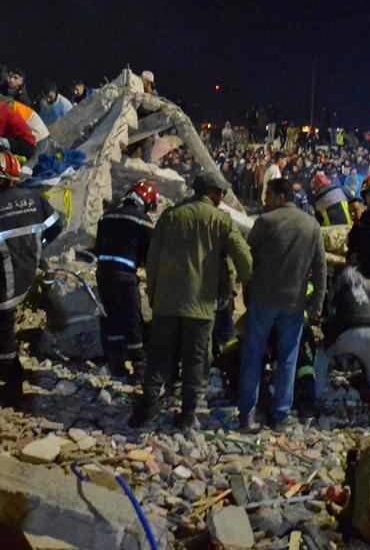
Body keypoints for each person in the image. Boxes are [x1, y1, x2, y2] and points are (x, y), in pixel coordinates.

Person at [132, 172, 253, 431]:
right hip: (201, 305)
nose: (221, 198)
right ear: (210, 192)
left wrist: (153, 295)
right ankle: (187, 416)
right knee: (195, 359)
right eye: (220, 193)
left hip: (167, 302)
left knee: (159, 355)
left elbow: (153, 259)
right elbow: (243, 257)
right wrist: (249, 290)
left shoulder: (170, 216)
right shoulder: (220, 220)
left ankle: (147, 410)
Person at [0, 152, 63, 405]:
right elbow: (57, 225)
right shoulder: (34, 197)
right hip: (30, 271)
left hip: (2, 280)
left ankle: (12, 376)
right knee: (7, 321)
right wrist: (35, 246)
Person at [238, 178, 326, 431]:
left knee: (253, 355)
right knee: (288, 359)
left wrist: (246, 292)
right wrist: (317, 303)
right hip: (294, 303)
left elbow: (247, 258)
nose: (265, 200)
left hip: (263, 300)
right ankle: (281, 415)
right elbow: (320, 267)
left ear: (280, 197)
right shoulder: (311, 225)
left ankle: (247, 413)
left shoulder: (265, 222)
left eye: (268, 195)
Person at [316, 265, 370, 428]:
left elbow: (332, 317)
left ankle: (317, 400)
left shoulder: (338, 289)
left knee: (322, 354)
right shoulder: (366, 288)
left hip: (349, 329)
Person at [93, 180, 157, 383]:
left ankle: (116, 365)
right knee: (132, 321)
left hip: (103, 275)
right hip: (125, 277)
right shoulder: (143, 220)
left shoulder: (106, 216)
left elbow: (98, 247)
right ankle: (139, 368)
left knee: (112, 319)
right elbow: (149, 255)